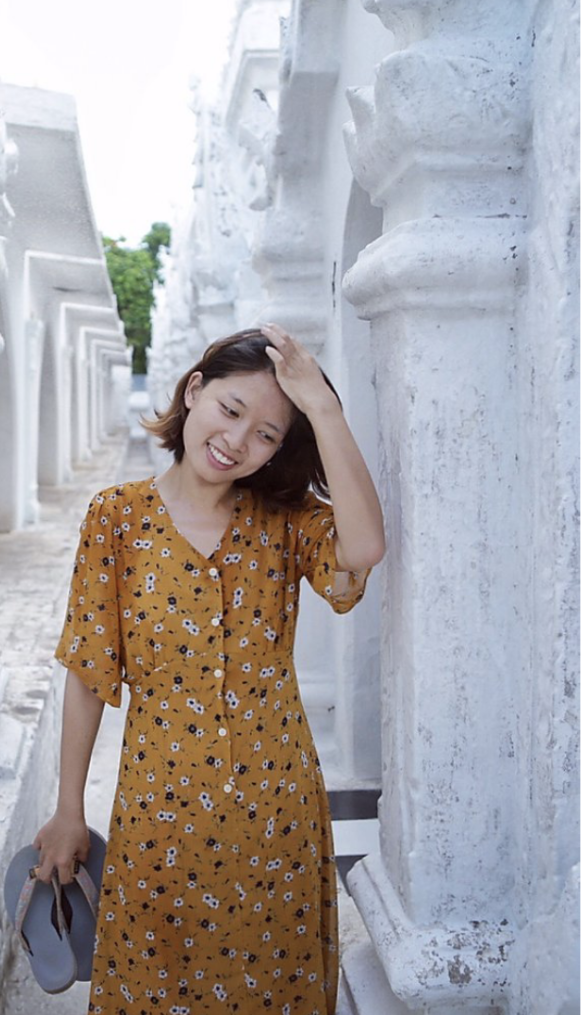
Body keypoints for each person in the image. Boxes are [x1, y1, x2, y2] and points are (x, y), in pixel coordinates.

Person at [34, 325, 385, 1014]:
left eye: (266, 434)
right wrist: (68, 807)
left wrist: (324, 409)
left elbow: (364, 546)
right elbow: (89, 673)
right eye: (230, 410)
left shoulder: (285, 522)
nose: (236, 441)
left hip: (275, 815)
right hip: (157, 815)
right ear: (193, 391)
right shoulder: (117, 520)